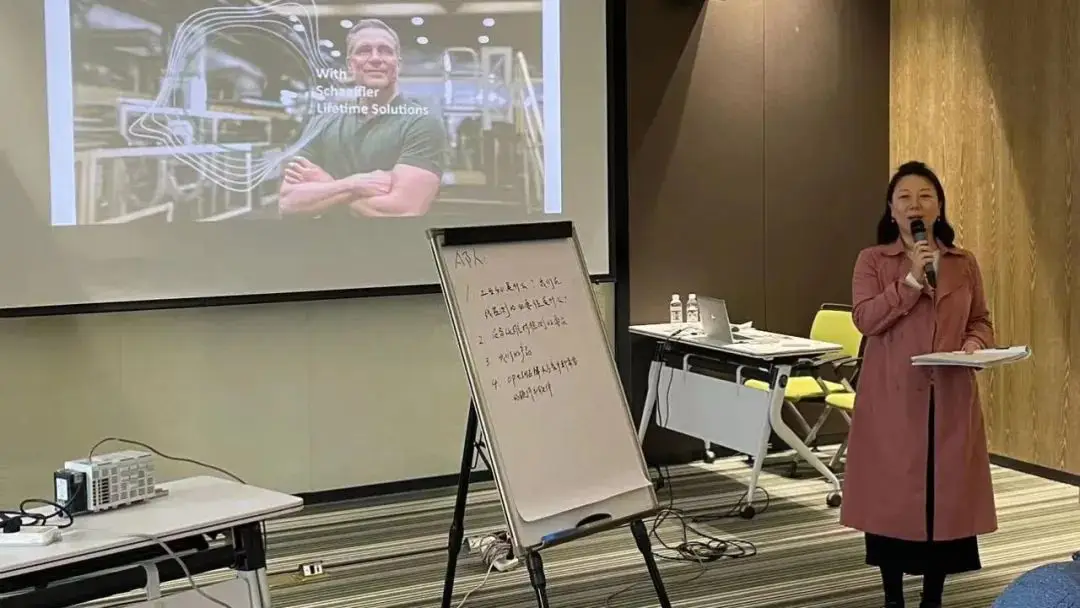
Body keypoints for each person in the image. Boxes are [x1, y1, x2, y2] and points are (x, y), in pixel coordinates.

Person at [840, 160, 997, 608]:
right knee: (892, 502)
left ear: (939, 207)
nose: (916, 204)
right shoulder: (873, 261)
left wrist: (974, 343)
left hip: (949, 399)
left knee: (943, 502)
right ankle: (893, 596)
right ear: (892, 210)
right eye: (905, 197)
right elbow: (865, 319)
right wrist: (910, 281)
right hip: (892, 401)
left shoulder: (963, 263)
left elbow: (981, 320)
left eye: (926, 196)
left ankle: (933, 597)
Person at [278, 18, 447, 217]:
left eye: (385, 50)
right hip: (330, 237)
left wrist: (325, 184)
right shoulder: (323, 122)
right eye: (364, 50)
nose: (375, 58)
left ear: (398, 64)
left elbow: (402, 211)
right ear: (350, 65)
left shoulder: (422, 123)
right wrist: (354, 184)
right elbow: (288, 202)